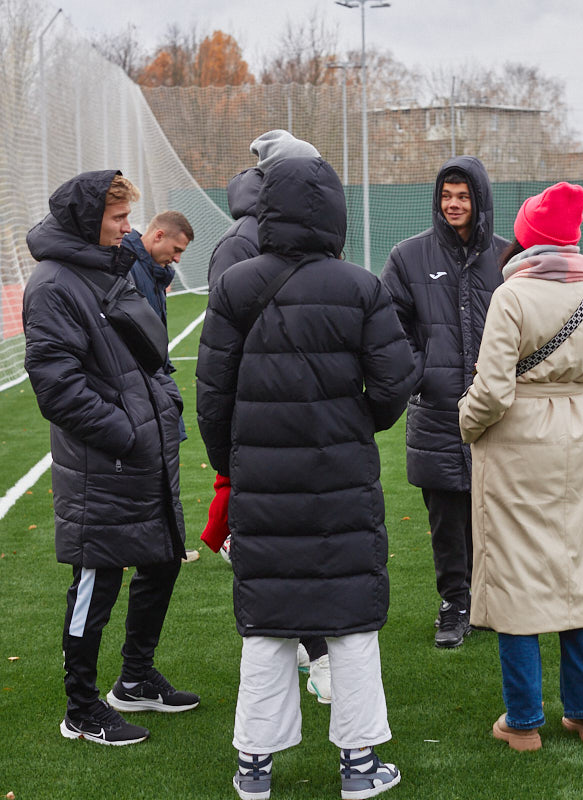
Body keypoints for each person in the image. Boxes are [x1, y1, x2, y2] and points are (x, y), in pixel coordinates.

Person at [197, 155, 414, 799]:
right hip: (341, 475)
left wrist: (232, 464)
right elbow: (397, 380)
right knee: (350, 618)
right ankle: (358, 765)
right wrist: (356, 422)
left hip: (262, 480)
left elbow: (212, 396)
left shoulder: (234, 285)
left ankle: (253, 769)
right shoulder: (360, 286)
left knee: (266, 622)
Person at [23, 170, 199, 746]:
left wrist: (163, 407)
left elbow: (148, 353)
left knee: (164, 558)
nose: (128, 230)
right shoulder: (53, 284)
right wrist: (128, 435)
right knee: (97, 581)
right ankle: (81, 707)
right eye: (119, 219)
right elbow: (57, 386)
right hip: (106, 463)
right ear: (86, 219)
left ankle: (136, 678)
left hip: (145, 453)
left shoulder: (108, 266)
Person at [457, 182, 583, 751]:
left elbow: (492, 391)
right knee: (578, 568)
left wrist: (464, 422)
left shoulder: (513, 296)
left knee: (518, 575)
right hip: (578, 432)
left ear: (528, 237)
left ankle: (523, 722)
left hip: (519, 439)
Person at [199, 130, 334, 704]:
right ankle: (315, 652)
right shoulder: (238, 246)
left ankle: (310, 643)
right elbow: (222, 357)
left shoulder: (306, 233)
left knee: (307, 541)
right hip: (263, 427)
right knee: (272, 548)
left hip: (303, 422)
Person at [381, 156, 507, 648]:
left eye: (463, 196)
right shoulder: (408, 257)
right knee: (447, 520)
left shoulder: (505, 257)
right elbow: (391, 328)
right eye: (446, 196)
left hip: (496, 414)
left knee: (494, 514)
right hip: (436, 413)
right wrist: (420, 373)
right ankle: (453, 606)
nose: (454, 205)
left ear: (479, 201)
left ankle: (489, 603)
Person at [121, 210, 198, 561]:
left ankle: (169, 545)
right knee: (151, 470)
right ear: (158, 236)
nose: (178, 259)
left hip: (155, 382)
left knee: (166, 464)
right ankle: (158, 547)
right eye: (176, 249)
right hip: (141, 387)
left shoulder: (152, 271)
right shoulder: (129, 268)